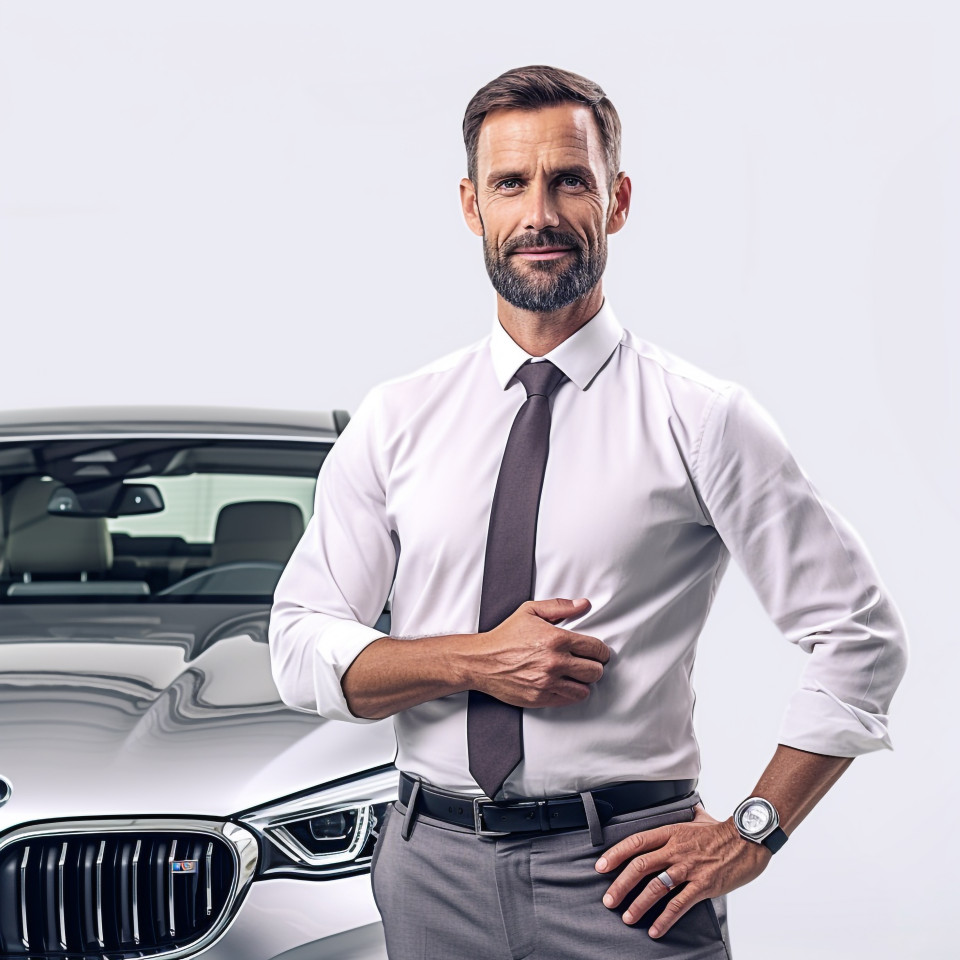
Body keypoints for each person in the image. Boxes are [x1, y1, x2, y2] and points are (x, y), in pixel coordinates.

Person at [268, 65, 908, 959]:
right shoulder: (396, 418)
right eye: (510, 183)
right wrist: (474, 661)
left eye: (570, 180)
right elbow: (299, 646)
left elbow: (860, 634)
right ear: (470, 206)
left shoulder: (702, 417)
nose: (540, 214)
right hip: (429, 870)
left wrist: (754, 831)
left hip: (628, 880)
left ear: (617, 201)